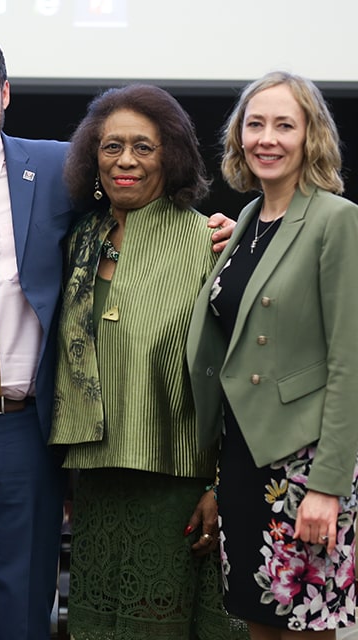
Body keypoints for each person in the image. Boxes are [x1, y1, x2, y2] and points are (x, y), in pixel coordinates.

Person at [0, 33, 235, 640]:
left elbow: (135, 207)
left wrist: (212, 232)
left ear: (5, 94)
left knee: (27, 609)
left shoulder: (59, 168)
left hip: (27, 429)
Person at [48, 84, 248, 640]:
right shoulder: (78, 242)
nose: (126, 160)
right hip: (96, 485)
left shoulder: (208, 243)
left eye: (144, 146)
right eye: (111, 146)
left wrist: (221, 487)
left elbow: (235, 374)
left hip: (178, 489)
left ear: (172, 156)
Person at [187, 71, 358, 639]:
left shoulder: (337, 219)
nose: (267, 138)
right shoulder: (246, 221)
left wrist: (328, 487)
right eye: (254, 124)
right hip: (244, 457)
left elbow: (349, 364)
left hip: (304, 463)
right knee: (258, 623)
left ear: (311, 136)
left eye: (284, 125)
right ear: (238, 136)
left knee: (306, 627)